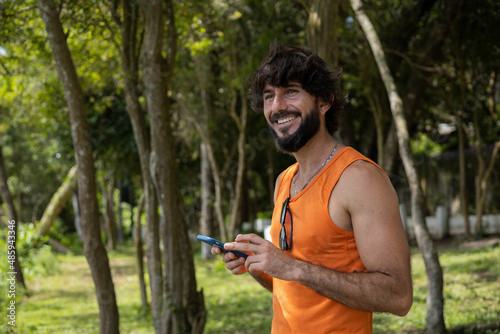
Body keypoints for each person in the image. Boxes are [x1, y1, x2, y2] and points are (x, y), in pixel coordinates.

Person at [212, 40, 413, 333]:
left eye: (291, 92)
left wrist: (292, 267)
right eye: (269, 96)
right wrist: (258, 264)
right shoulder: (285, 180)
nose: (277, 106)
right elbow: (297, 287)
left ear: (324, 101)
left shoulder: (358, 178)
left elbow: (399, 296)